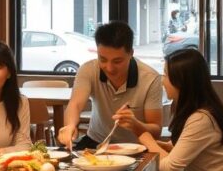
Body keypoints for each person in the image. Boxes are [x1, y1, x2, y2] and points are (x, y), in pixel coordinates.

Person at [57, 21, 163, 150]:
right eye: (103, 59)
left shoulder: (150, 78)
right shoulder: (88, 69)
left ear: (131, 53)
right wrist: (70, 126)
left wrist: (136, 125)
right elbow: (76, 104)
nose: (109, 68)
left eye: (117, 61)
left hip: (136, 147)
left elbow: (156, 131)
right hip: (96, 142)